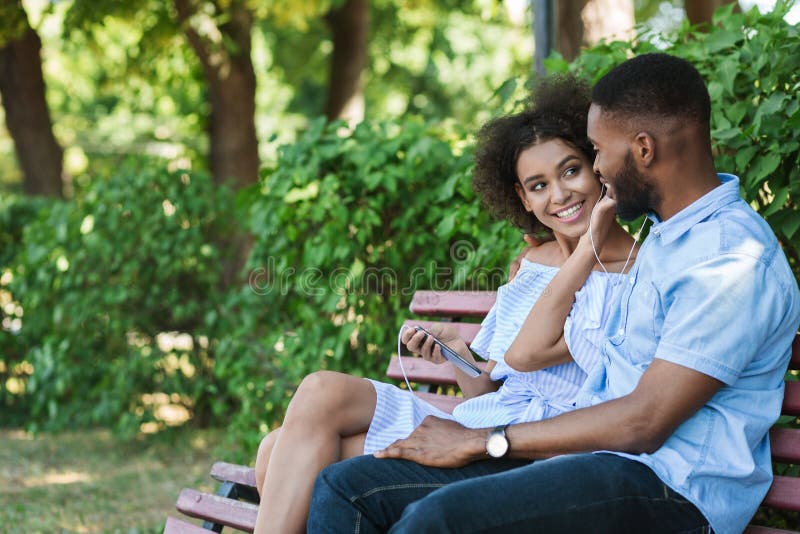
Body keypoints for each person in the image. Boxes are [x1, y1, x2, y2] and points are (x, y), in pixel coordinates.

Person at [307, 53, 800, 534]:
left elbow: (645, 420)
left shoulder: (729, 258)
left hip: (673, 492)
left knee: (436, 520)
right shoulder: (666, 238)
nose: (598, 169)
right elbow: (528, 358)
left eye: (598, 151)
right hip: (590, 463)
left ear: (644, 149)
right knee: (346, 486)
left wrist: (485, 441)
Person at [252, 74, 639, 533]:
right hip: (487, 413)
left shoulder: (631, 273)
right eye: (537, 185)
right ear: (522, 197)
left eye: (570, 170)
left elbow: (531, 357)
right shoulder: (531, 260)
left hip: (532, 443)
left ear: (597, 167)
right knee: (310, 404)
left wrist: (588, 246)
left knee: (284, 454)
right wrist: (459, 352)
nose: (559, 195)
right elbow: (495, 385)